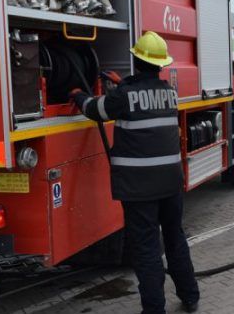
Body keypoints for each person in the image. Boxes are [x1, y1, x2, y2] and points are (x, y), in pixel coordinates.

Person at [70, 31, 199, 313]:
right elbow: (141, 97)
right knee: (175, 239)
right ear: (160, 65)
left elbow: (95, 109)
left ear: (136, 61)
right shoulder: (169, 93)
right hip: (170, 183)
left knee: (147, 248)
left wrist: (78, 95)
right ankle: (190, 295)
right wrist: (122, 85)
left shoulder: (123, 97)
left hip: (140, 188)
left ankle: (154, 309)